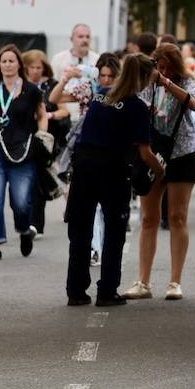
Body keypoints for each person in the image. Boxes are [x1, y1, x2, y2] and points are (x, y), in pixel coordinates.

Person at [65, 53, 165, 307]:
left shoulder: (101, 96)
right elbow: (144, 152)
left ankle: (76, 291)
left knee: (80, 228)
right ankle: (107, 290)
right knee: (114, 230)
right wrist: (160, 169)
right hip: (112, 169)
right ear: (142, 77)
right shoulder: (136, 106)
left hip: (84, 165)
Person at [123, 44, 195, 301]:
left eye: (166, 65)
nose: (161, 69)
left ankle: (175, 281)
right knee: (149, 218)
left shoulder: (186, 81)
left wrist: (166, 82)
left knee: (177, 216)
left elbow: (194, 104)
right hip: (152, 152)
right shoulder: (146, 83)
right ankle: (143, 281)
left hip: (182, 151)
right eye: (158, 64)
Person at [0, 44, 48, 261]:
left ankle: (25, 231)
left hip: (24, 153)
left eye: (11, 61)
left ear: (19, 64)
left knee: (21, 202)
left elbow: (42, 115)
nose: (7, 65)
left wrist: (42, 136)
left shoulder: (32, 90)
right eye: (3, 61)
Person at [52, 53, 121, 266]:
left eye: (111, 76)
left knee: (104, 208)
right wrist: (66, 78)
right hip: (85, 151)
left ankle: (100, 248)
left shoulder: (122, 94)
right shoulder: (88, 90)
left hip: (112, 153)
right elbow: (54, 99)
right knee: (87, 206)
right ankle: (93, 249)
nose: (106, 80)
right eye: (103, 76)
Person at [22, 49, 69, 238]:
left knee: (35, 179)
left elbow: (64, 111)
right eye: (31, 67)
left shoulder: (51, 85)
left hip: (45, 139)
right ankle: (52, 187)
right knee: (27, 180)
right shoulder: (20, 86)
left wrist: (47, 115)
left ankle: (36, 224)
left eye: (38, 67)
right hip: (21, 139)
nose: (35, 71)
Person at [51, 24, 100, 99]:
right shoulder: (58, 59)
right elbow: (52, 85)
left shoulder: (97, 59)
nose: (85, 40)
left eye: (88, 37)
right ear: (71, 39)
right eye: (80, 36)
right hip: (63, 104)